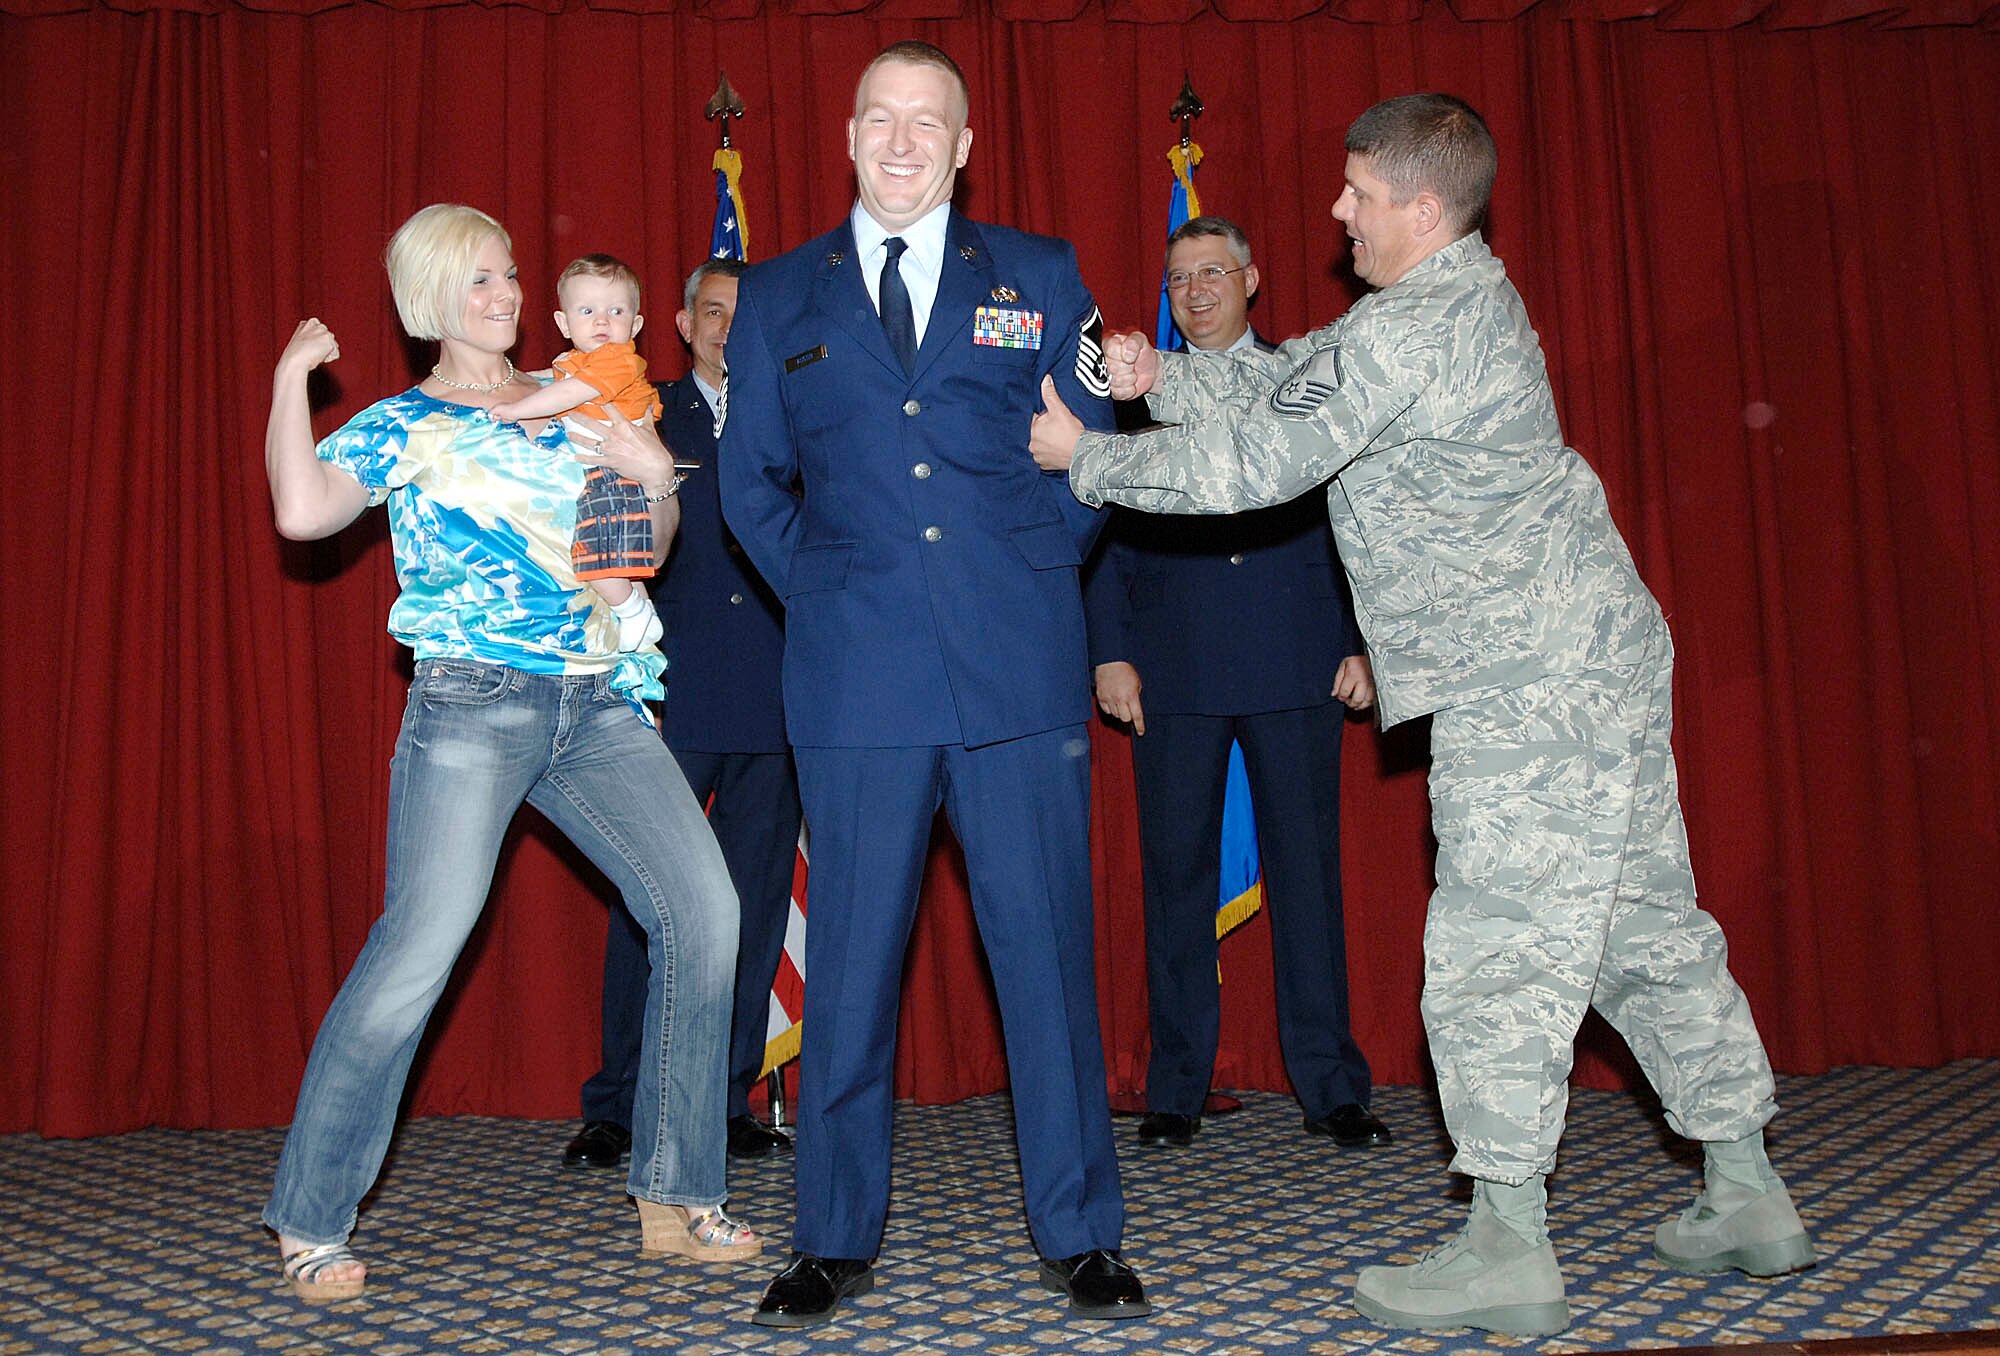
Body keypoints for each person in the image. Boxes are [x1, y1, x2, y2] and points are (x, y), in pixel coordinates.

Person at [1031, 95, 1814, 1337]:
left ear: (1422, 206)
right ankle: (1746, 1190)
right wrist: (1159, 378)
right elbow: (1292, 379)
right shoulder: (1431, 309)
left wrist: (1082, 454)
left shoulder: (1416, 327)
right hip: (1585, 656)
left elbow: (1261, 466)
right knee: (1638, 929)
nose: (1335, 211)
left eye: (1355, 192)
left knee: (1494, 948)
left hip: (1526, 681)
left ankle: (1506, 1244)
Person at [718, 40, 1148, 1329]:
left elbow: (1093, 453)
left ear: (964, 146)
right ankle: (833, 1236)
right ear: (848, 135)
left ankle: (1078, 1229)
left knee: (1045, 962)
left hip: (1015, 671)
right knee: (849, 965)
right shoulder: (780, 296)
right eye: (880, 121)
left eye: (929, 124)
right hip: (854, 684)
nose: (902, 143)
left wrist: (1018, 578)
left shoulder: (1036, 272)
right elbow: (749, 489)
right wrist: (844, 594)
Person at [260, 204, 761, 1303]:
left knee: (704, 911)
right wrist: (294, 381)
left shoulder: (576, 388)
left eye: (509, 275)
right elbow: (301, 513)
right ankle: (310, 1217)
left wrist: (651, 471)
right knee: (417, 953)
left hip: (596, 700)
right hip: (469, 705)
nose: (506, 295)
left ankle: (676, 1196)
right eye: (480, 280)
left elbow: (644, 548)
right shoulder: (403, 423)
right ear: (432, 298)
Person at [1083, 215, 1390, 1152]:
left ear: (1253, 280)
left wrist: (1362, 639)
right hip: (1172, 662)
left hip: (1298, 652)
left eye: (1214, 273)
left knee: (1309, 878)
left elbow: (1356, 514)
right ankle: (1176, 1086)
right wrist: (1108, 649)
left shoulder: (1304, 382)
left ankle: (1331, 1086)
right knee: (1175, 879)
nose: (1197, 291)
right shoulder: (1134, 392)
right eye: (1179, 278)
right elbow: (1102, 519)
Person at [562, 257, 803, 1173]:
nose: (727, 330)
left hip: (778, 697)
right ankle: (617, 1106)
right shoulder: (638, 408)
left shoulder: (796, 413)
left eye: (744, 317)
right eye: (711, 312)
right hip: (669, 689)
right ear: (679, 319)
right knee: (647, 899)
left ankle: (730, 1094)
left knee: (749, 907)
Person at [491, 254, 665, 653]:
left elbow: (572, 394)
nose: (602, 321)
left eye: (616, 311)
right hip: (602, 468)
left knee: (590, 552)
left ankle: (633, 612)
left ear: (635, 324)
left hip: (614, 471)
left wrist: (517, 409)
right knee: (615, 554)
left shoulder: (617, 360)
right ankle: (636, 609)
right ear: (564, 323)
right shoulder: (571, 362)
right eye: (588, 311)